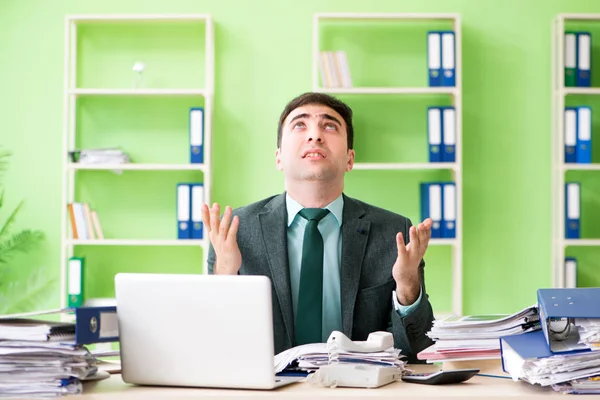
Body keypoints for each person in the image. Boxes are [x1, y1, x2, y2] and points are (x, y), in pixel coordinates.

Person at [202, 92, 435, 363]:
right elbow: (215, 348)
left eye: (329, 126)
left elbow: (417, 351)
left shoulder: (392, 232)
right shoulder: (236, 232)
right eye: (300, 125)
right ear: (278, 158)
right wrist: (225, 277)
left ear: (350, 159)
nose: (315, 135)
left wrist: (407, 287)